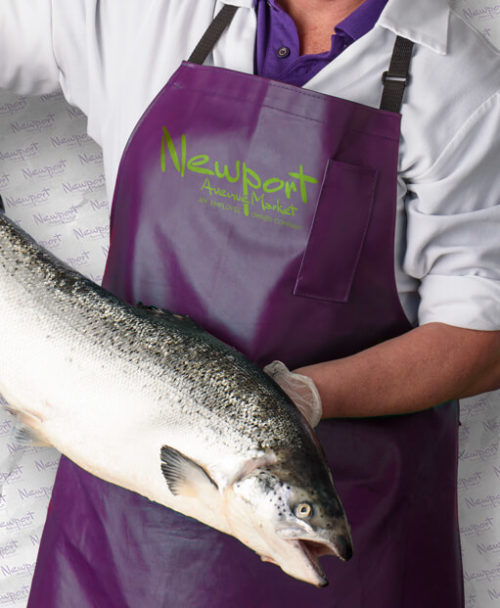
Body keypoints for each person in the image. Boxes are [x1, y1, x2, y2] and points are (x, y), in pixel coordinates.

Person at [1, 0, 500, 606]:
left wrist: (307, 397)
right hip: (111, 541)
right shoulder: (141, 12)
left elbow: (483, 339)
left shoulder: (467, 87)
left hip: (351, 547)